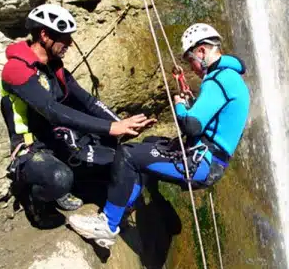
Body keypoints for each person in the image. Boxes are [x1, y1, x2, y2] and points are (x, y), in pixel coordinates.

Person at [67, 23, 250, 248]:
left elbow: (192, 126)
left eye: (190, 59)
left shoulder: (218, 79)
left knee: (128, 154)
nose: (191, 68)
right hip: (211, 161)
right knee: (150, 143)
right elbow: (215, 124)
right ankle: (124, 206)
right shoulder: (232, 78)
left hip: (202, 163)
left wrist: (180, 106)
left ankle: (107, 224)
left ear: (201, 51)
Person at [0, 3, 155, 228]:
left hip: (57, 139)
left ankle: (72, 180)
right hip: (31, 148)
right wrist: (111, 128)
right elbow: (52, 111)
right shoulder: (16, 70)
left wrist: (119, 124)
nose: (70, 43)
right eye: (64, 37)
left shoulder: (54, 68)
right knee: (60, 179)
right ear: (44, 35)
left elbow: (88, 101)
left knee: (120, 161)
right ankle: (35, 200)